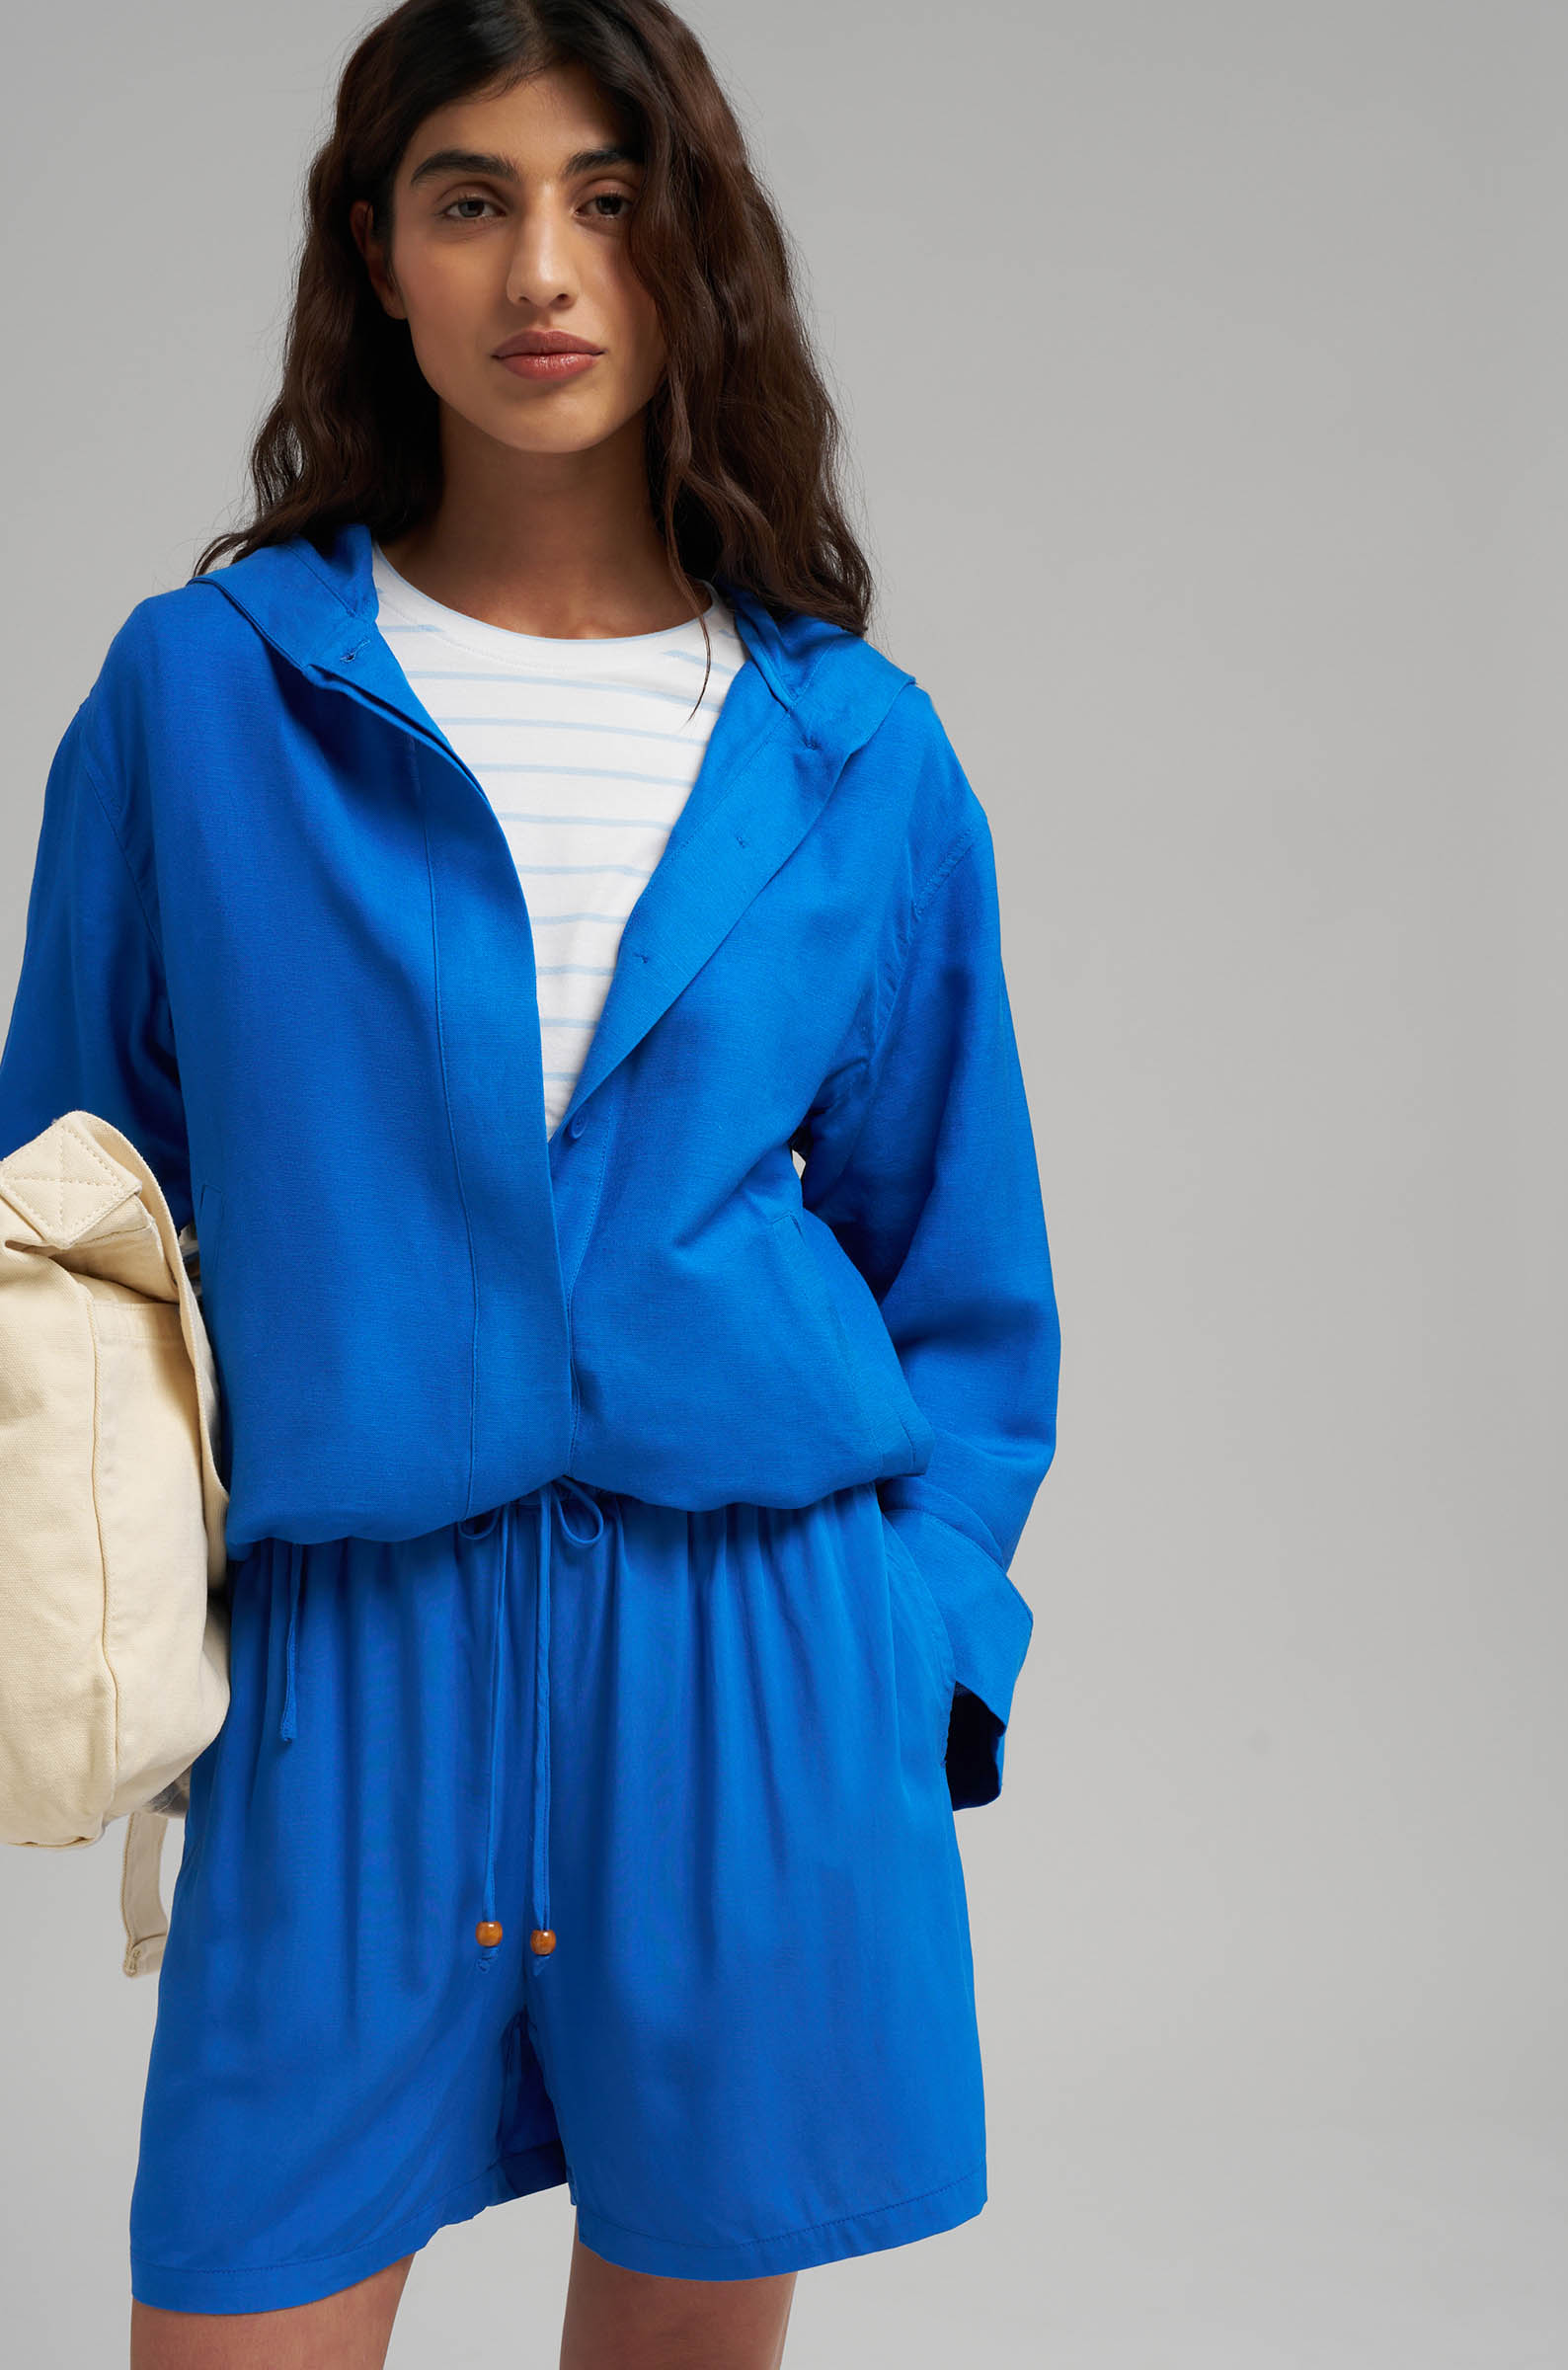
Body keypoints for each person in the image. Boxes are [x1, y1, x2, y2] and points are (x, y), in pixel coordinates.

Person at [0, 4, 1061, 2365]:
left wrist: (910, 1655)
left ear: (693, 250)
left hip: (747, 1672)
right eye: (470, 200)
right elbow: (61, 1204)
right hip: (346, 1676)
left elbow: (959, 1275)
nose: (542, 270)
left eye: (608, 197)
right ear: (377, 253)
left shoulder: (850, 749)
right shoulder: (204, 696)